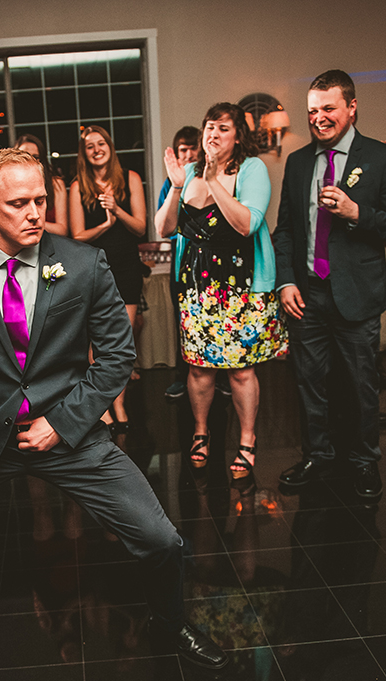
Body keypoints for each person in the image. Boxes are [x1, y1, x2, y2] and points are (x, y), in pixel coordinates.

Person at [0, 148, 227, 679]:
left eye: (40, 199)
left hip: (71, 431)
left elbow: (117, 357)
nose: (34, 212)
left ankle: (168, 620)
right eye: (18, 203)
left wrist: (62, 423)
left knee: (162, 541)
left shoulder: (85, 264)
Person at [272, 69, 386, 500]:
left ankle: (365, 461)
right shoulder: (297, 162)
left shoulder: (382, 158)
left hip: (356, 294)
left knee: (361, 384)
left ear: (352, 107)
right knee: (308, 381)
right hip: (308, 293)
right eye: (312, 111)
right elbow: (287, 231)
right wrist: (286, 282)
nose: (319, 118)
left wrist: (355, 212)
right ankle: (319, 455)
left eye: (328, 109)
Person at [154, 103, 286, 484]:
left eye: (223, 128)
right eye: (209, 127)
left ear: (238, 136)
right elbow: (165, 228)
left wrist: (213, 180)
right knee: (199, 369)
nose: (212, 134)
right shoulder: (189, 173)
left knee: (242, 372)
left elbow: (247, 225)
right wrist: (178, 185)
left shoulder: (252, 169)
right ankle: (200, 431)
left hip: (240, 291)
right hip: (197, 291)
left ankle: (247, 440)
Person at [68, 125, 147, 430]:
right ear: (84, 153)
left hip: (126, 268)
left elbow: (140, 227)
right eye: (90, 146)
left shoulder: (130, 179)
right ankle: (102, 407)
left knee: (121, 344)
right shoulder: (78, 187)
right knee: (97, 346)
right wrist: (104, 225)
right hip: (92, 272)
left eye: (102, 143)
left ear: (110, 147)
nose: (97, 149)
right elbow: (76, 236)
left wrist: (116, 210)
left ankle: (120, 404)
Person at [157, 125, 200, 401]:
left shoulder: (212, 177)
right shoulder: (168, 185)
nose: (187, 154)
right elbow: (165, 226)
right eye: (182, 149)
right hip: (181, 260)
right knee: (182, 320)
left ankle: (219, 378)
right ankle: (182, 378)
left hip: (212, 260)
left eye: (192, 148)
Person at [14, 134, 68, 237]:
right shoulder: (11, 187)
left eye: (35, 157)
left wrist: (31, 223)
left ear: (42, 160)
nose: (30, 161)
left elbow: (62, 230)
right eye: (25, 156)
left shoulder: (56, 184)